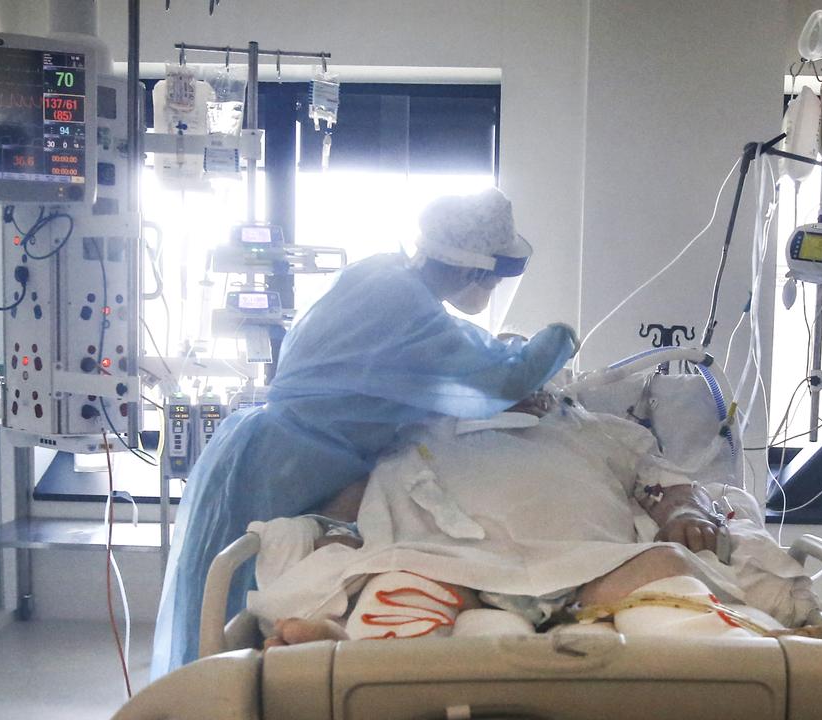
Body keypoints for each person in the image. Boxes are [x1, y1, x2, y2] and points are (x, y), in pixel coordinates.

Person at [151, 188, 579, 677]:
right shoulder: (408, 311)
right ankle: (214, 695)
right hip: (292, 462)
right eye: (488, 276)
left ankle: (214, 689)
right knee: (241, 598)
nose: (487, 287)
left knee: (227, 598)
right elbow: (500, 376)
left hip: (269, 446)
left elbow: (413, 379)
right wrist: (560, 339)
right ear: (468, 269)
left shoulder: (380, 273)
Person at [243, 398, 816, 646]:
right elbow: (358, 491)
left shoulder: (590, 426)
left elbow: (659, 480)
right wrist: (339, 530)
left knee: (662, 565)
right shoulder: (421, 427)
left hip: (593, 562)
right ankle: (353, 651)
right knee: (401, 583)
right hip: (445, 558)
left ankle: (743, 651)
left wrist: (685, 509)